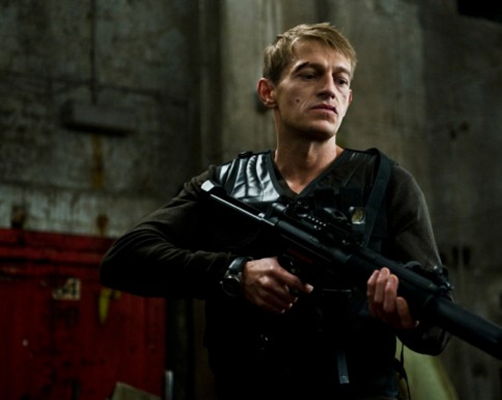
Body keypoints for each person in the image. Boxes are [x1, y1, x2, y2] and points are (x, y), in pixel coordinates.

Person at [100, 22, 451, 400]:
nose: (329, 89)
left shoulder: (386, 185)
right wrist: (234, 273)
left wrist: (409, 319)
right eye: (309, 74)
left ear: (348, 100)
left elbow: (438, 331)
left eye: (341, 80)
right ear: (268, 92)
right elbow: (124, 258)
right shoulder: (226, 185)